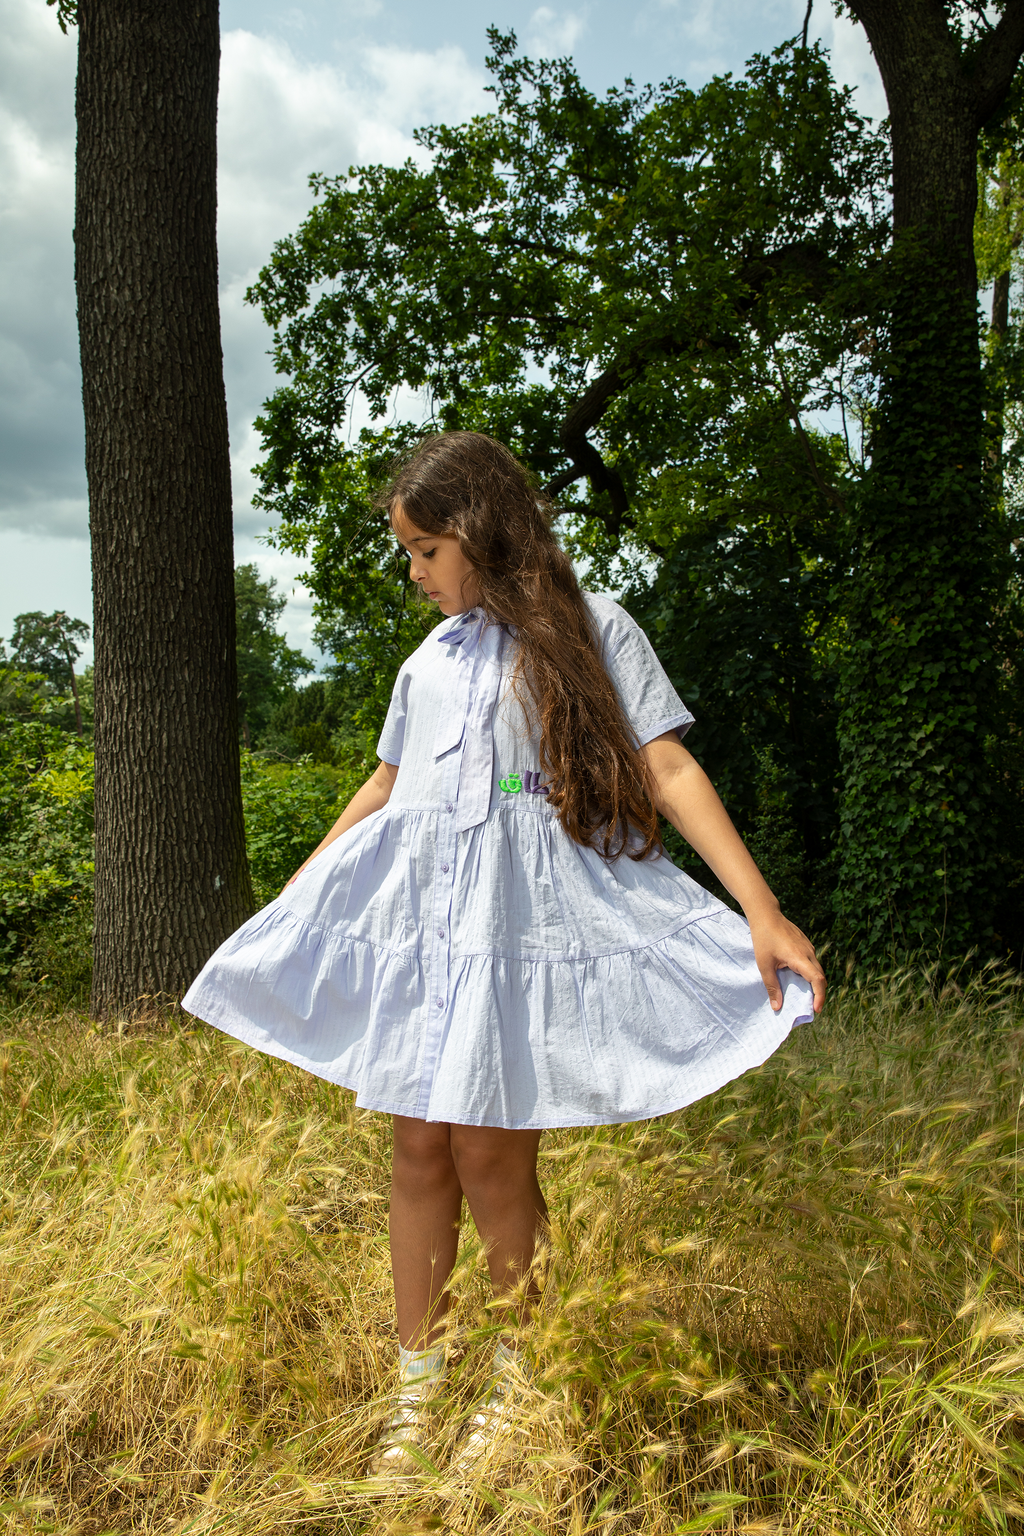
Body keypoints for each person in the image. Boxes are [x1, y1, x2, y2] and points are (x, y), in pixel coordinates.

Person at [182, 430, 825, 1476]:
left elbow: (666, 767)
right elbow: (387, 786)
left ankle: (527, 1374)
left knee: (487, 1150)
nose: (414, 572)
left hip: (521, 926)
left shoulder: (592, 625)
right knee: (418, 1149)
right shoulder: (429, 660)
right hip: (428, 927)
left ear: (480, 534)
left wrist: (761, 909)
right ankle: (416, 1394)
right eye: (409, 552)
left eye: (426, 550)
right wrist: (300, 893)